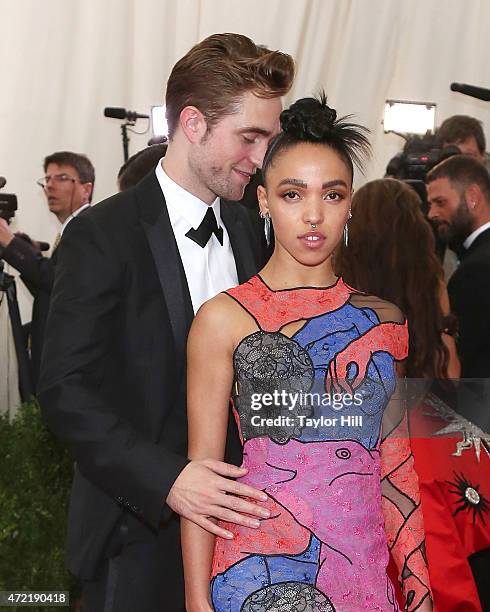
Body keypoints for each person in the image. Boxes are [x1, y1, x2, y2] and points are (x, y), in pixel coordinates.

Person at [38, 33, 294, 612]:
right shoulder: (101, 234)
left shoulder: (255, 229)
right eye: (249, 137)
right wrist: (170, 479)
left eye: (268, 140)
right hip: (135, 538)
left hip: (245, 539)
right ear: (195, 124)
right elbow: (63, 390)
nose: (260, 159)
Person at [182, 96, 432, 611]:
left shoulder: (381, 322)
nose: (314, 215)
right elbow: (202, 476)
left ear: (350, 205)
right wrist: (195, 600)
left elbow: (396, 468)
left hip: (363, 575)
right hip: (258, 573)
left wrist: (420, 590)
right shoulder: (223, 319)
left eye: (332, 194)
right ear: (264, 201)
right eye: (293, 194)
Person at [336, 178, 490, 610]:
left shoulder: (340, 297)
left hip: (363, 467)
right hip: (435, 462)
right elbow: (455, 385)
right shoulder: (432, 290)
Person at [0, 151, 94, 388]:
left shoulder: (87, 228)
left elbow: (57, 282)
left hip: (74, 367)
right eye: (47, 179)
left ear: (86, 188)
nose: (50, 186)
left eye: (61, 178)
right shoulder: (69, 231)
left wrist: (11, 244)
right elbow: (51, 293)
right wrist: (24, 250)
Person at [426, 155, 490, 383]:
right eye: (430, 204)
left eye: (440, 202)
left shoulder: (476, 271)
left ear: (472, 197)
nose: (431, 213)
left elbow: (466, 365)